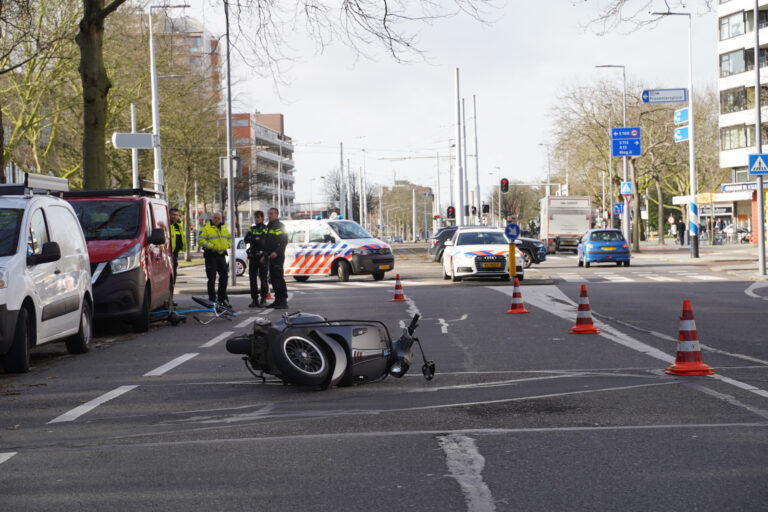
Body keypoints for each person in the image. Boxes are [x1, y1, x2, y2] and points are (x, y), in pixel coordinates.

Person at [199, 212, 232, 309]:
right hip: (211, 255)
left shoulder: (224, 228)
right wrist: (211, 246)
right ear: (212, 218)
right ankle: (212, 299)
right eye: (215, 218)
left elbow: (230, 238)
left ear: (221, 219)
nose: (216, 220)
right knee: (211, 278)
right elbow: (201, 240)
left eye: (218, 218)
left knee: (224, 277)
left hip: (221, 255)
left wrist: (228, 245)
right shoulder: (206, 228)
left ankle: (222, 298)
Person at [262, 207, 288, 309]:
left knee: (279, 278)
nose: (269, 215)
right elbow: (266, 243)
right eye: (269, 214)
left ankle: (283, 301)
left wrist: (276, 252)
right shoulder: (268, 227)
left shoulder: (281, 226)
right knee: (273, 279)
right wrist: (265, 255)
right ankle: (277, 300)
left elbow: (284, 242)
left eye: (272, 214)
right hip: (270, 256)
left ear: (277, 215)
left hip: (278, 256)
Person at [244, 210, 269, 308]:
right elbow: (246, 239)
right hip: (253, 257)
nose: (257, 219)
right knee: (252, 279)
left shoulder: (265, 228)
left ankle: (263, 299)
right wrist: (256, 238)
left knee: (263, 279)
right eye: (255, 217)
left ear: (262, 218)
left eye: (258, 217)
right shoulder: (252, 228)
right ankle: (254, 299)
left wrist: (253, 238)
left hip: (262, 256)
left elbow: (263, 241)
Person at [169, 208, 186, 286]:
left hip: (175, 254)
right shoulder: (167, 225)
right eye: (173, 214)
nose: (175, 217)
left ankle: (171, 294)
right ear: (169, 215)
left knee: (174, 274)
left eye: (176, 215)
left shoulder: (179, 225)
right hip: (166, 254)